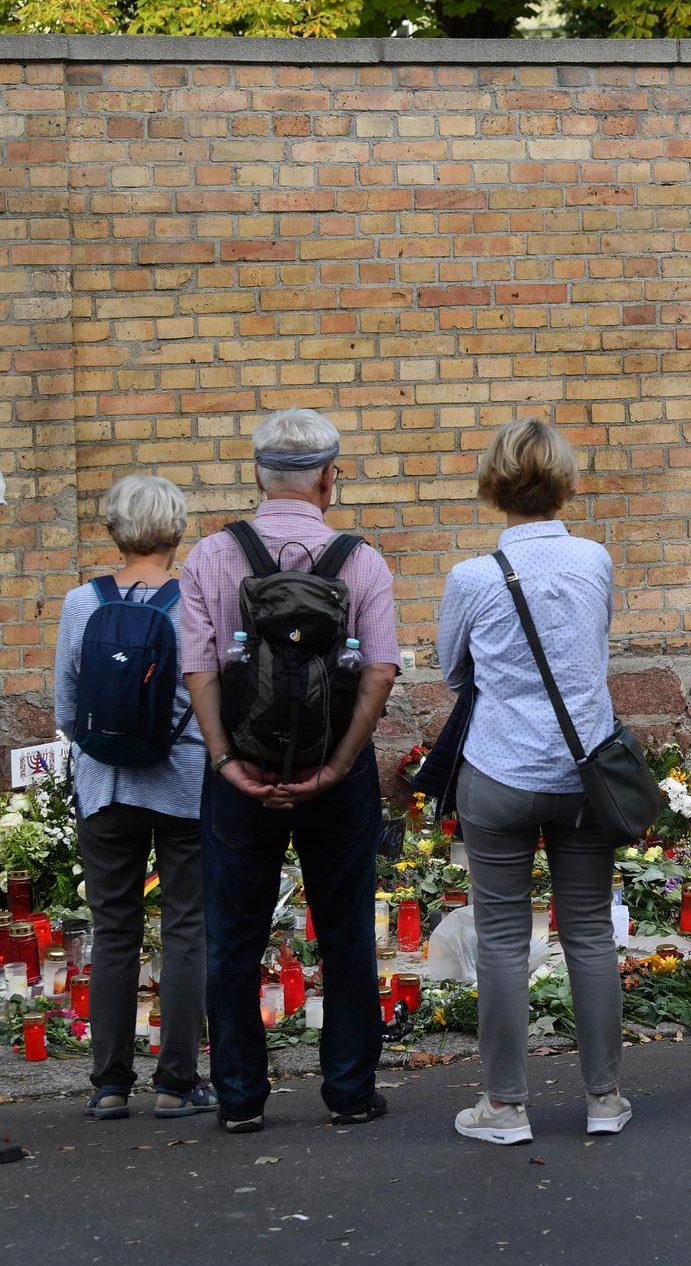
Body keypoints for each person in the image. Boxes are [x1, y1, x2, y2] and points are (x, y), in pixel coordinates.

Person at [180, 408, 400, 1135]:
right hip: (339, 775)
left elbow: (199, 670)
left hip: (238, 769)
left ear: (255, 476)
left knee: (234, 934)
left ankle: (241, 1099)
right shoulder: (360, 561)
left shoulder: (211, 558)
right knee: (343, 932)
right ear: (330, 480)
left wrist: (225, 761)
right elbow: (379, 673)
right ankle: (348, 1092)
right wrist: (337, 765)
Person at [437, 417, 627, 1145]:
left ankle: (506, 1107)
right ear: (563, 481)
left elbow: (457, 672)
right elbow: (591, 651)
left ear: (494, 483)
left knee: (505, 938)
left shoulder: (472, 578)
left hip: (499, 772)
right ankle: (604, 1099)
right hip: (584, 774)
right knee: (588, 934)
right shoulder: (594, 562)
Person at [53, 475, 217, 1121]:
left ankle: (109, 1084)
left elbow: (69, 708)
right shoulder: (193, 604)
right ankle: (177, 1082)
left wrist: (107, 753)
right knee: (184, 930)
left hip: (105, 788)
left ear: (113, 530)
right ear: (176, 531)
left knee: (113, 931)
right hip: (180, 785)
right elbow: (209, 699)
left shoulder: (78, 604)